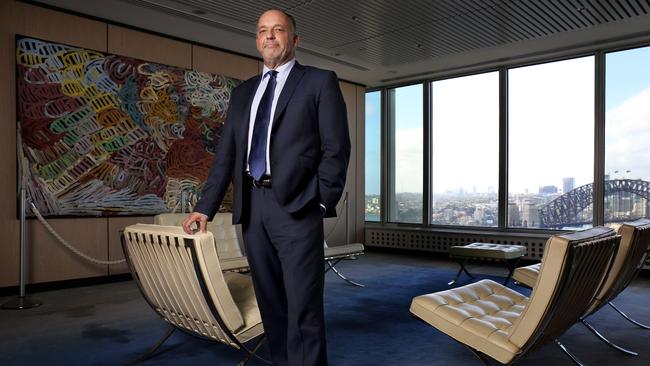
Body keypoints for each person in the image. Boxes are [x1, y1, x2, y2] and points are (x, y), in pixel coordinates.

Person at [182, 8, 350, 366]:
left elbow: (336, 148)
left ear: (295, 39)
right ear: (257, 40)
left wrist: (320, 202)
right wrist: (204, 207)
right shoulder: (243, 93)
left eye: (278, 30)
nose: (269, 36)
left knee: (303, 307)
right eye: (262, 31)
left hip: (298, 208)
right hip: (252, 210)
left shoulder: (319, 81)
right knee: (272, 306)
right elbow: (226, 155)